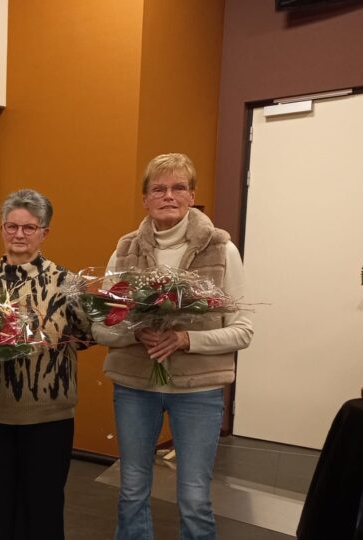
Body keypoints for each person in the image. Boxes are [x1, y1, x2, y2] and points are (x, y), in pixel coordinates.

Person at [94, 153, 253, 540]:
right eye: (159, 189)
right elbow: (101, 327)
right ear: (145, 199)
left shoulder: (221, 249)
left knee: (195, 496)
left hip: (198, 391)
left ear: (192, 196)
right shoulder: (124, 250)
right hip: (135, 387)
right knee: (132, 489)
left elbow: (243, 331)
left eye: (179, 187)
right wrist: (136, 334)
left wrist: (185, 339)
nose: (169, 195)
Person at [0, 188, 90, 540]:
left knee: (45, 510)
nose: (19, 234)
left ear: (44, 233)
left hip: (48, 414)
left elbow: (87, 337)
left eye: (29, 227)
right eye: (12, 226)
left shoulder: (67, 283)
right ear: (2, 229)